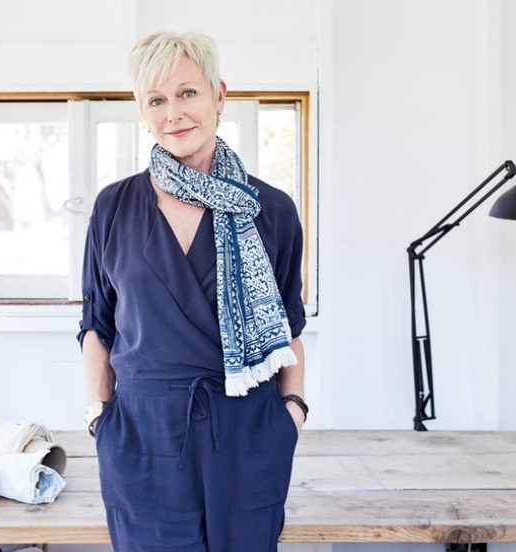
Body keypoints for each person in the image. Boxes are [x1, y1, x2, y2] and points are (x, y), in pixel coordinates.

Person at [77, 29, 307, 552]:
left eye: (187, 93)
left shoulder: (271, 209)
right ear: (142, 110)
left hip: (248, 435)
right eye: (156, 100)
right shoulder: (114, 207)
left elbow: (289, 327)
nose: (174, 113)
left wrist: (291, 413)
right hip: (142, 438)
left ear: (219, 95)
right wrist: (100, 417)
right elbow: (97, 325)